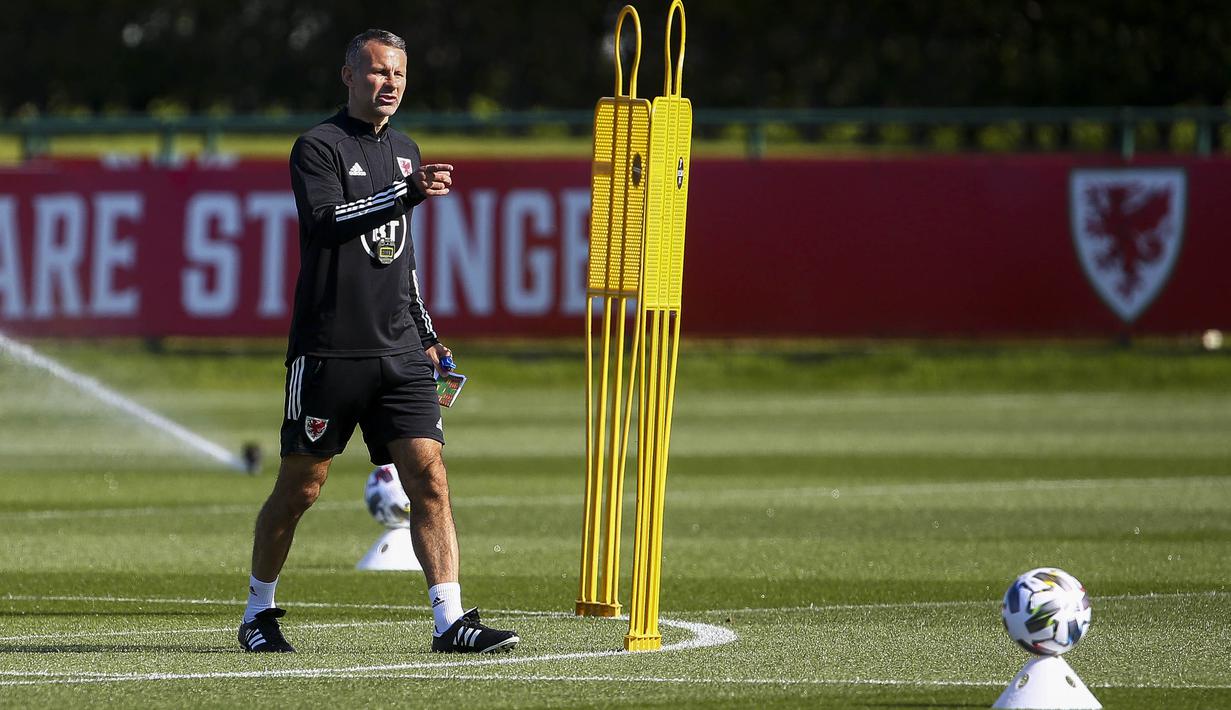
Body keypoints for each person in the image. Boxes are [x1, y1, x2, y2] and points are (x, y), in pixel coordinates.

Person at [237, 28, 519, 654]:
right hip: (328, 351)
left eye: (398, 74)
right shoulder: (318, 146)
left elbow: (402, 259)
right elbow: (326, 221)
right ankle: (258, 612)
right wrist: (405, 192)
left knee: (430, 478)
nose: (389, 83)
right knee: (301, 487)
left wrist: (427, 334)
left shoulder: (406, 149)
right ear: (348, 76)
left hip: (399, 351)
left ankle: (450, 620)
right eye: (377, 71)